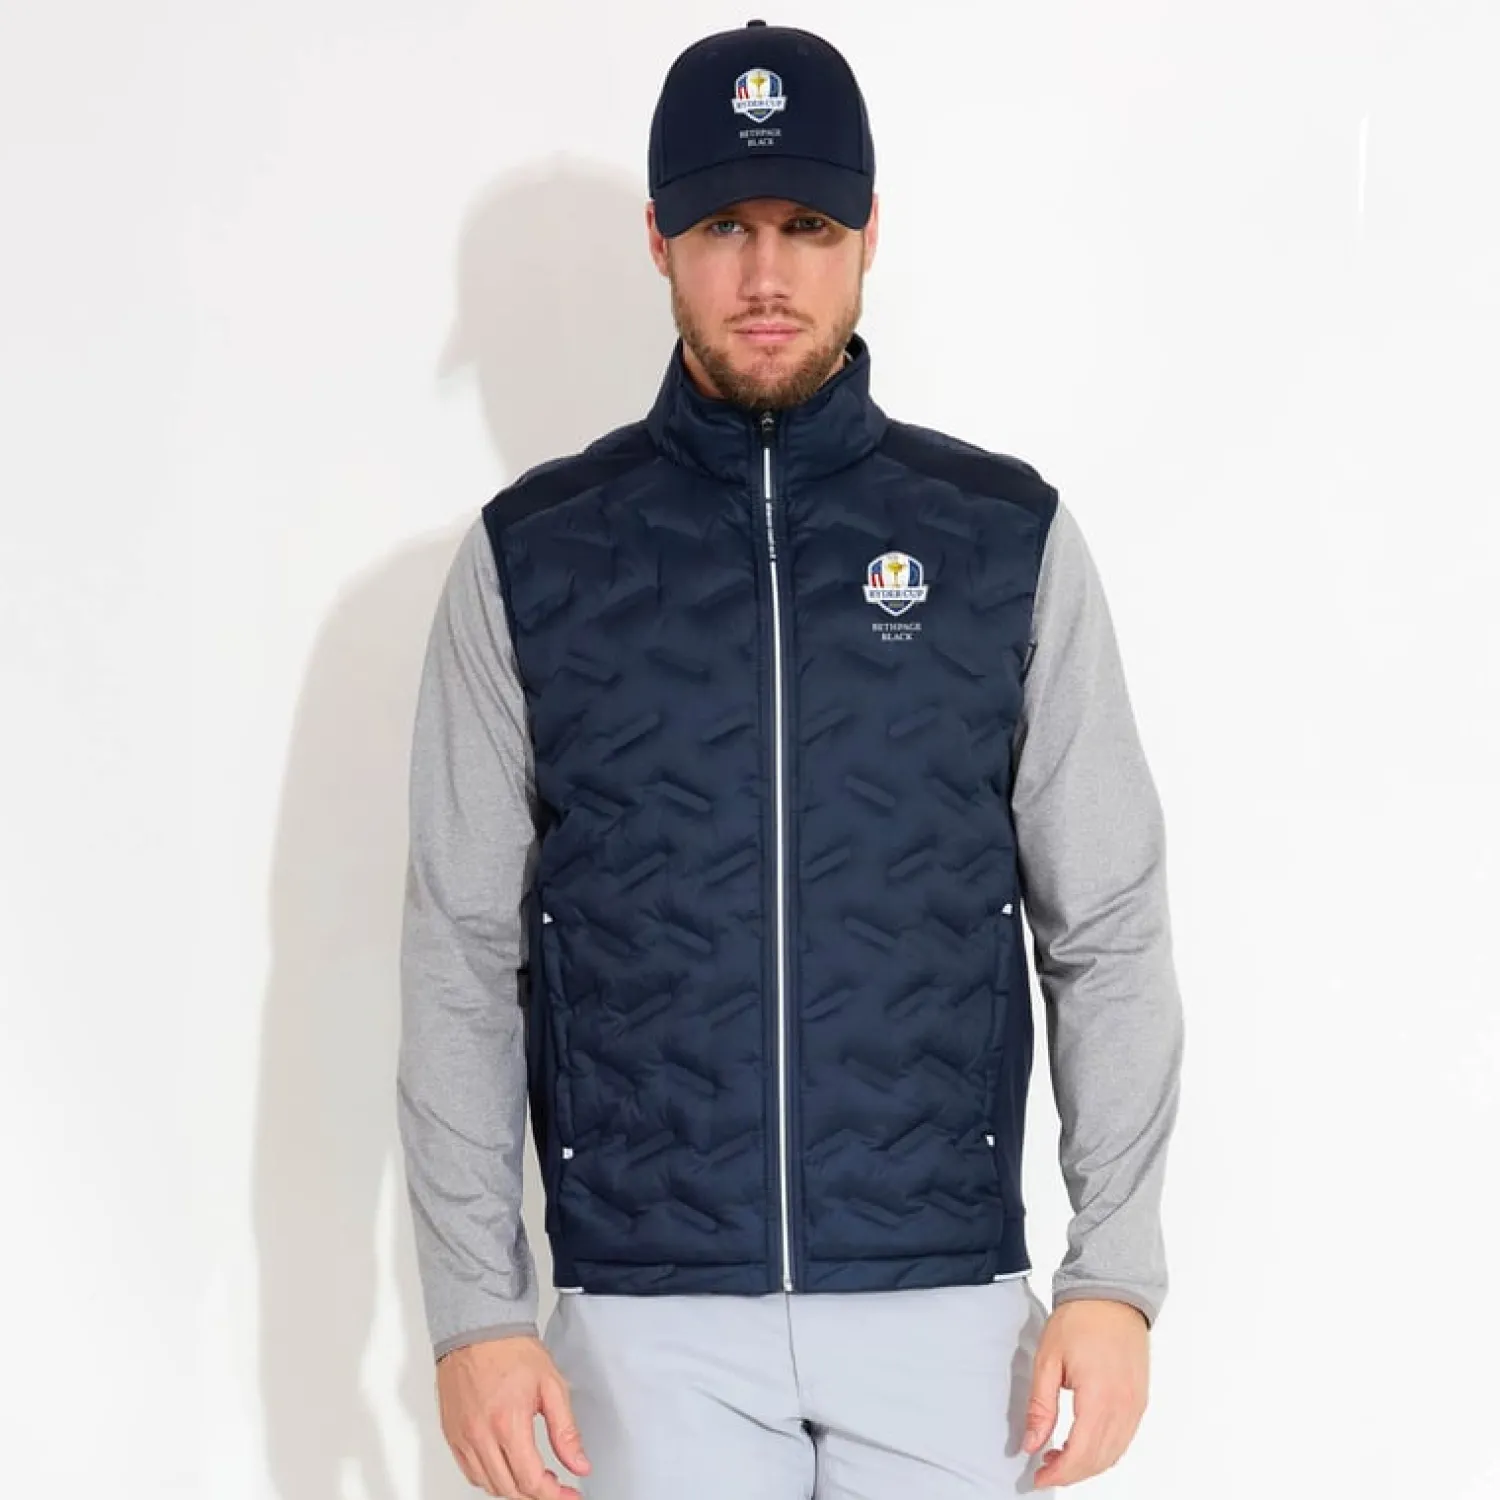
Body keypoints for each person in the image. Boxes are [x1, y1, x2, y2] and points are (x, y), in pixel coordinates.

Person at [396, 18, 1184, 1500]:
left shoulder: (1003, 541)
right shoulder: (532, 559)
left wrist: (1115, 1273)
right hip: (645, 1326)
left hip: (946, 1315)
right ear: (659, 239)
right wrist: (476, 1311)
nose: (767, 276)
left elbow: (1108, 925)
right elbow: (461, 954)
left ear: (870, 232)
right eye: (724, 228)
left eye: (808, 227)